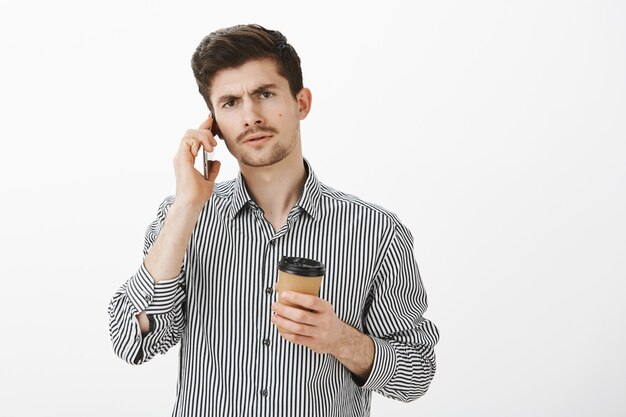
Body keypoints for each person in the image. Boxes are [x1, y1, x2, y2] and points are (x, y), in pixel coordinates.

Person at [108, 24, 439, 417]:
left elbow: (417, 374)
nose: (250, 116)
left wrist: (340, 340)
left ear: (301, 103)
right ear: (213, 124)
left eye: (265, 94)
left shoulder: (376, 231)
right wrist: (185, 207)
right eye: (230, 103)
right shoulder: (182, 219)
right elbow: (132, 341)